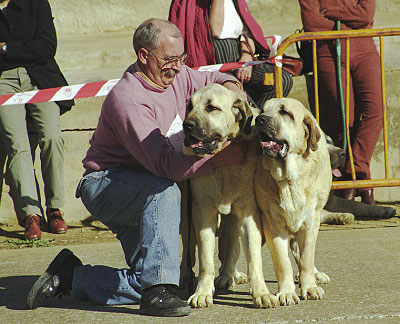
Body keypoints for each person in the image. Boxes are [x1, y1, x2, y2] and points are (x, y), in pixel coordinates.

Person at [26, 18, 246, 317]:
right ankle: (158, 293)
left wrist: (235, 89)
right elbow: (165, 166)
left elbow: (215, 81)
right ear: (144, 56)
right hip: (108, 185)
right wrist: (218, 159)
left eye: (182, 58)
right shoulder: (129, 99)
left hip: (144, 185)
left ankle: (70, 277)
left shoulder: (174, 74)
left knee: (152, 277)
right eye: (170, 59)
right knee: (165, 192)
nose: (179, 67)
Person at [0, 0, 74, 240]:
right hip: (3, 80)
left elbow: (46, 47)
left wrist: (5, 49)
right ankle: (31, 215)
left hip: (40, 78)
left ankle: (55, 208)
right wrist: (22, 49)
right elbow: (36, 48)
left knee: (52, 136)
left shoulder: (36, 3)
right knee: (17, 145)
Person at [298, 0, 382, 205]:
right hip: (328, 50)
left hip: (363, 46)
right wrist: (349, 20)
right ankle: (362, 183)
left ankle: (355, 174)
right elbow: (312, 22)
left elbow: (366, 14)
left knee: (375, 111)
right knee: (343, 118)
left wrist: (331, 13)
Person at [169, 0, 293, 109]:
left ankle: (258, 124)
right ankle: (250, 127)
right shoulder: (190, 3)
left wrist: (247, 56)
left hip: (239, 57)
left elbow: (247, 33)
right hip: (213, 63)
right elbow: (216, 30)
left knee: (282, 80)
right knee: (241, 100)